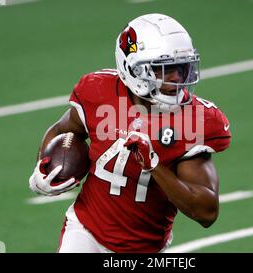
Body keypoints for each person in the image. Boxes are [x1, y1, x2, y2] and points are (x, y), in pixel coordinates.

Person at [28, 13, 231, 253]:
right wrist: (44, 167)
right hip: (85, 231)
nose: (176, 77)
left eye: (181, 66)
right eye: (162, 69)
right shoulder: (98, 91)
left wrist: (154, 165)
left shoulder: (195, 120)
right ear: (132, 69)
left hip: (146, 247)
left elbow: (206, 212)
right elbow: (63, 130)